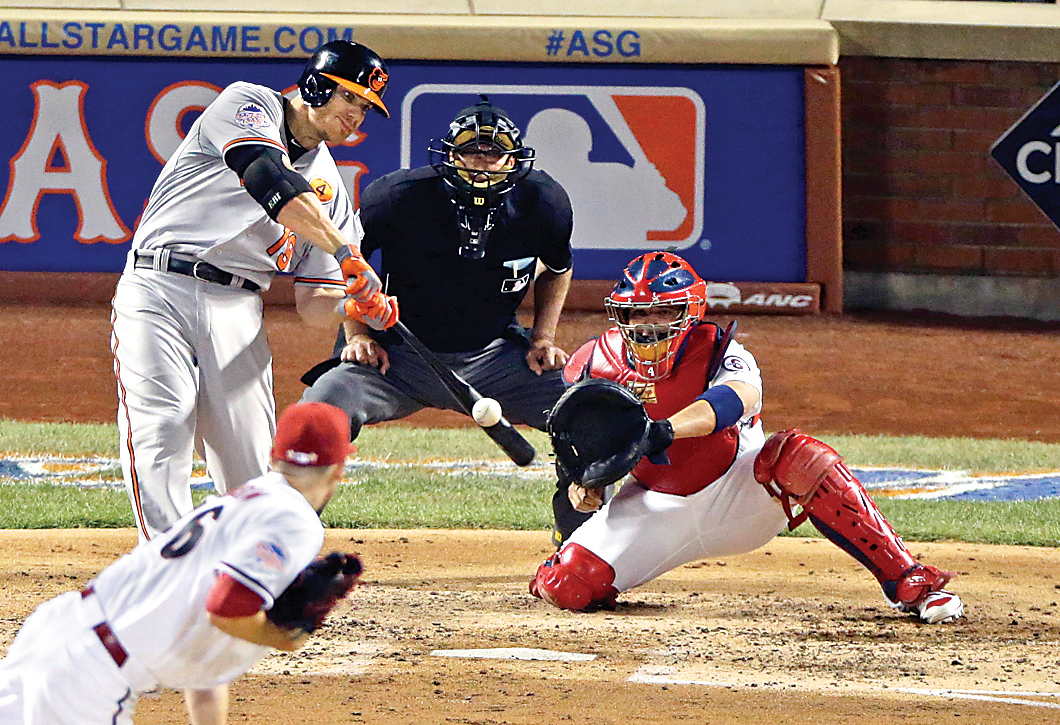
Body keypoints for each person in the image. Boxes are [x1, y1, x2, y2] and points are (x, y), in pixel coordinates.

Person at [529, 251, 965, 624]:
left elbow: (736, 398)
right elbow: (582, 448)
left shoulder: (721, 350)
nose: (649, 325)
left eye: (664, 312)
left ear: (690, 312)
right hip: (654, 506)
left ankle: (909, 581)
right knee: (565, 586)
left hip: (739, 492)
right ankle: (577, 564)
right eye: (638, 313)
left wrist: (663, 430)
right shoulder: (590, 363)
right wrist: (585, 489)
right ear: (620, 314)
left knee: (798, 455)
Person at [111, 40, 399, 542]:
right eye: (351, 100)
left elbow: (313, 305)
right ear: (315, 86)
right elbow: (267, 177)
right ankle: (166, 572)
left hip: (240, 309)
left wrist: (354, 306)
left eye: (366, 108)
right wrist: (344, 252)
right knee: (161, 429)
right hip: (159, 289)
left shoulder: (330, 187)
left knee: (248, 457)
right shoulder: (248, 104)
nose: (358, 116)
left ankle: (248, 576)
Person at [300, 96, 588, 543]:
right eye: (471, 151)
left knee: (588, 415)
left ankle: (582, 541)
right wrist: (356, 333)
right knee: (319, 410)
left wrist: (542, 338)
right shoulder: (396, 197)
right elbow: (347, 259)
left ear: (514, 159)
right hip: (396, 354)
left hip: (495, 357)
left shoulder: (544, 201)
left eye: (494, 153)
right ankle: (289, 534)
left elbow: (558, 268)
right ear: (449, 155)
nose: (482, 163)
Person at [0, 401, 359, 725]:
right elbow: (226, 606)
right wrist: (276, 637)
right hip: (86, 685)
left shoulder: (244, 501)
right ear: (339, 468)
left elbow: (206, 671)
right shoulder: (296, 520)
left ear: (272, 456)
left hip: (53, 633)